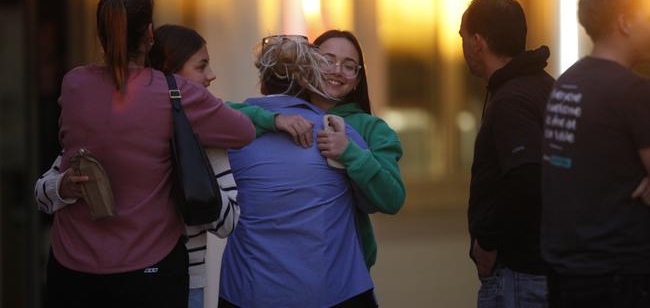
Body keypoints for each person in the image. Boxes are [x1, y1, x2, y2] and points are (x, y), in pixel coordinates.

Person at [36, 24, 311, 308]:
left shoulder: (208, 136)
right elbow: (43, 193)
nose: (212, 75)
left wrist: (188, 178)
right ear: (172, 78)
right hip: (121, 277)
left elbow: (226, 222)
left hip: (187, 278)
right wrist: (64, 185)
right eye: (201, 66)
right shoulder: (120, 132)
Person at [219, 35, 376, 307]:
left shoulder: (229, 132)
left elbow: (201, 111)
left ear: (262, 79)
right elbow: (374, 200)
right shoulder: (337, 132)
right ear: (307, 80)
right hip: (332, 291)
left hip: (249, 291)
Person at [541, 0, 650, 308]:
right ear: (625, 23)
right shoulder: (633, 92)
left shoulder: (566, 84)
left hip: (567, 272)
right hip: (620, 276)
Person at [460, 0, 553, 307]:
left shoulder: (511, 100)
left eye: (461, 37)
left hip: (519, 275)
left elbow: (528, 177)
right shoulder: (546, 87)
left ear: (477, 42)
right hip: (548, 268)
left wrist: (487, 240)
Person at [310, 30, 406, 270]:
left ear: (357, 79)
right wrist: (276, 120)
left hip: (347, 269)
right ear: (308, 63)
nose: (337, 70)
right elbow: (240, 114)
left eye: (349, 66)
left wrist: (350, 153)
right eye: (327, 60)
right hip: (282, 265)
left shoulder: (373, 129)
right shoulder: (284, 115)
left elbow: (393, 198)